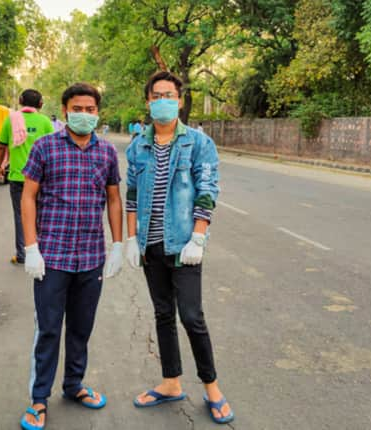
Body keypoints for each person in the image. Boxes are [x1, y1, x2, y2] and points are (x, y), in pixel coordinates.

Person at [124, 71, 233, 424]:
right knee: (162, 314)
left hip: (184, 247)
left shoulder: (199, 144)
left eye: (170, 94)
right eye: (157, 95)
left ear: (180, 100)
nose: (163, 100)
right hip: (150, 246)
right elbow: (131, 195)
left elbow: (207, 190)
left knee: (191, 316)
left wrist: (198, 237)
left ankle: (212, 387)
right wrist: (129, 239)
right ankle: (171, 381)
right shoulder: (137, 145)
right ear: (148, 101)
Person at [19, 82, 124, 430]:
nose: (83, 114)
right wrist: (30, 247)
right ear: (64, 111)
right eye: (77, 109)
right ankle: (38, 399)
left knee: (81, 329)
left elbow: (113, 199)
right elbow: (28, 197)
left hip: (90, 256)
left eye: (90, 109)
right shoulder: (45, 147)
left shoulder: (106, 153)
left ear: (97, 113)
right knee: (49, 330)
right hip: (51, 257)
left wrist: (119, 245)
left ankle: (74, 385)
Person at [0, 89, 54, 266]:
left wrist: (0, 166)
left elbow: (1, 147)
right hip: (42, 178)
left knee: (21, 215)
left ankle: (23, 254)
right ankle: (43, 251)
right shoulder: (45, 122)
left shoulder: (11, 120)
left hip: (18, 177)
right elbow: (52, 148)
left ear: (21, 101)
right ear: (40, 104)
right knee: (42, 214)